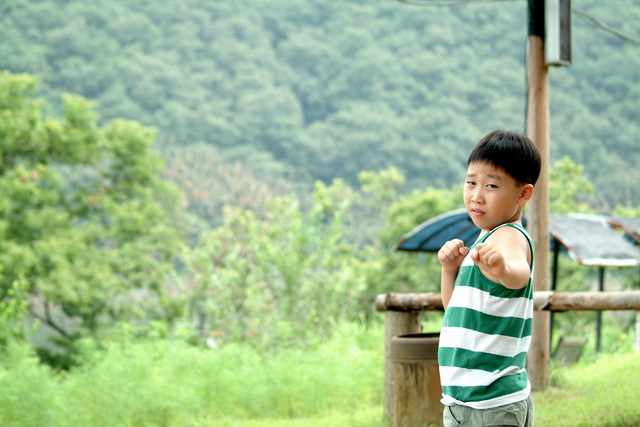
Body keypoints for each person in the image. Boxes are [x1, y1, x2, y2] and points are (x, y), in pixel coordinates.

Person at [437, 130, 541, 426]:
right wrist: (450, 271)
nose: (476, 196)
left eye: (491, 185)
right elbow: (454, 312)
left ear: (523, 194)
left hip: (491, 404)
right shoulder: (484, 240)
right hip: (464, 401)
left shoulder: (508, 236)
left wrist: (503, 269)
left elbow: (519, 274)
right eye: (471, 182)